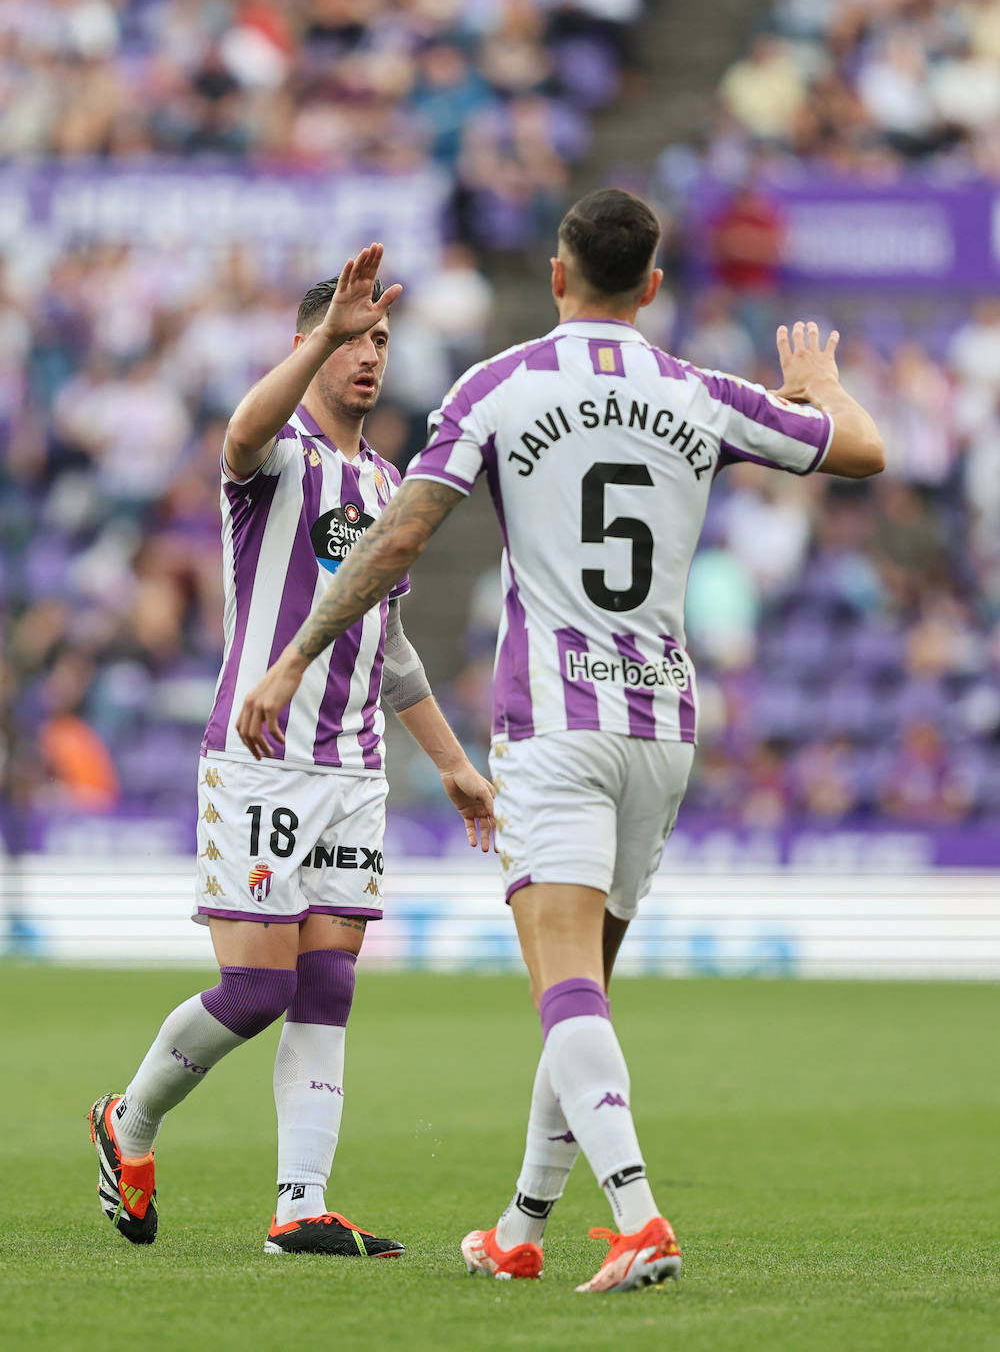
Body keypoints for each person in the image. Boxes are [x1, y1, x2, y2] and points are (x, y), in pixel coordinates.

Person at [236, 192, 884, 1292]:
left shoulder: (497, 386)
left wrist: (297, 650)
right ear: (653, 288)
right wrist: (818, 383)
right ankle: (524, 1225)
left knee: (565, 986)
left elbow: (401, 538)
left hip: (555, 726)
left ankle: (639, 1219)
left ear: (554, 275)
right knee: (583, 987)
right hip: (662, 727)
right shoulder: (699, 392)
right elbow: (864, 450)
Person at [88, 244, 496, 1258]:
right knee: (258, 988)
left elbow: (389, 646)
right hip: (261, 756)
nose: (369, 357)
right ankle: (128, 1120)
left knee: (328, 985)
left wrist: (449, 760)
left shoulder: (386, 478)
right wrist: (319, 328)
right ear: (314, 348)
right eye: (353, 339)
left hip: (352, 767)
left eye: (381, 341)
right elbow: (238, 429)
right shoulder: (276, 461)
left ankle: (300, 1205)